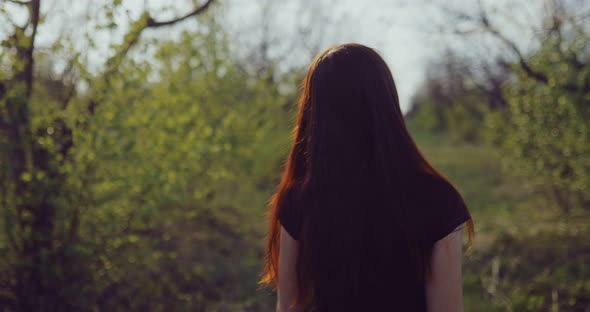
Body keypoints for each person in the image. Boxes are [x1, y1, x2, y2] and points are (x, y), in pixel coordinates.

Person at [259, 43, 474, 312]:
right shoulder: (439, 199)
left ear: (315, 112)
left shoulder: (301, 199)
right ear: (386, 103)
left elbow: (290, 307)